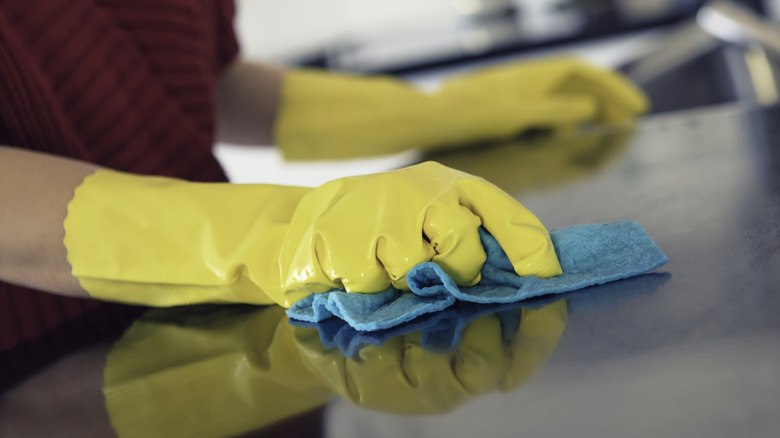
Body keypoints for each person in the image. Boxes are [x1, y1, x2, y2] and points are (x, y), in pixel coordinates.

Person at [0, 1, 646, 348]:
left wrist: (447, 110)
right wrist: (280, 235)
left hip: (206, 334)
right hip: (41, 377)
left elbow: (206, 79)